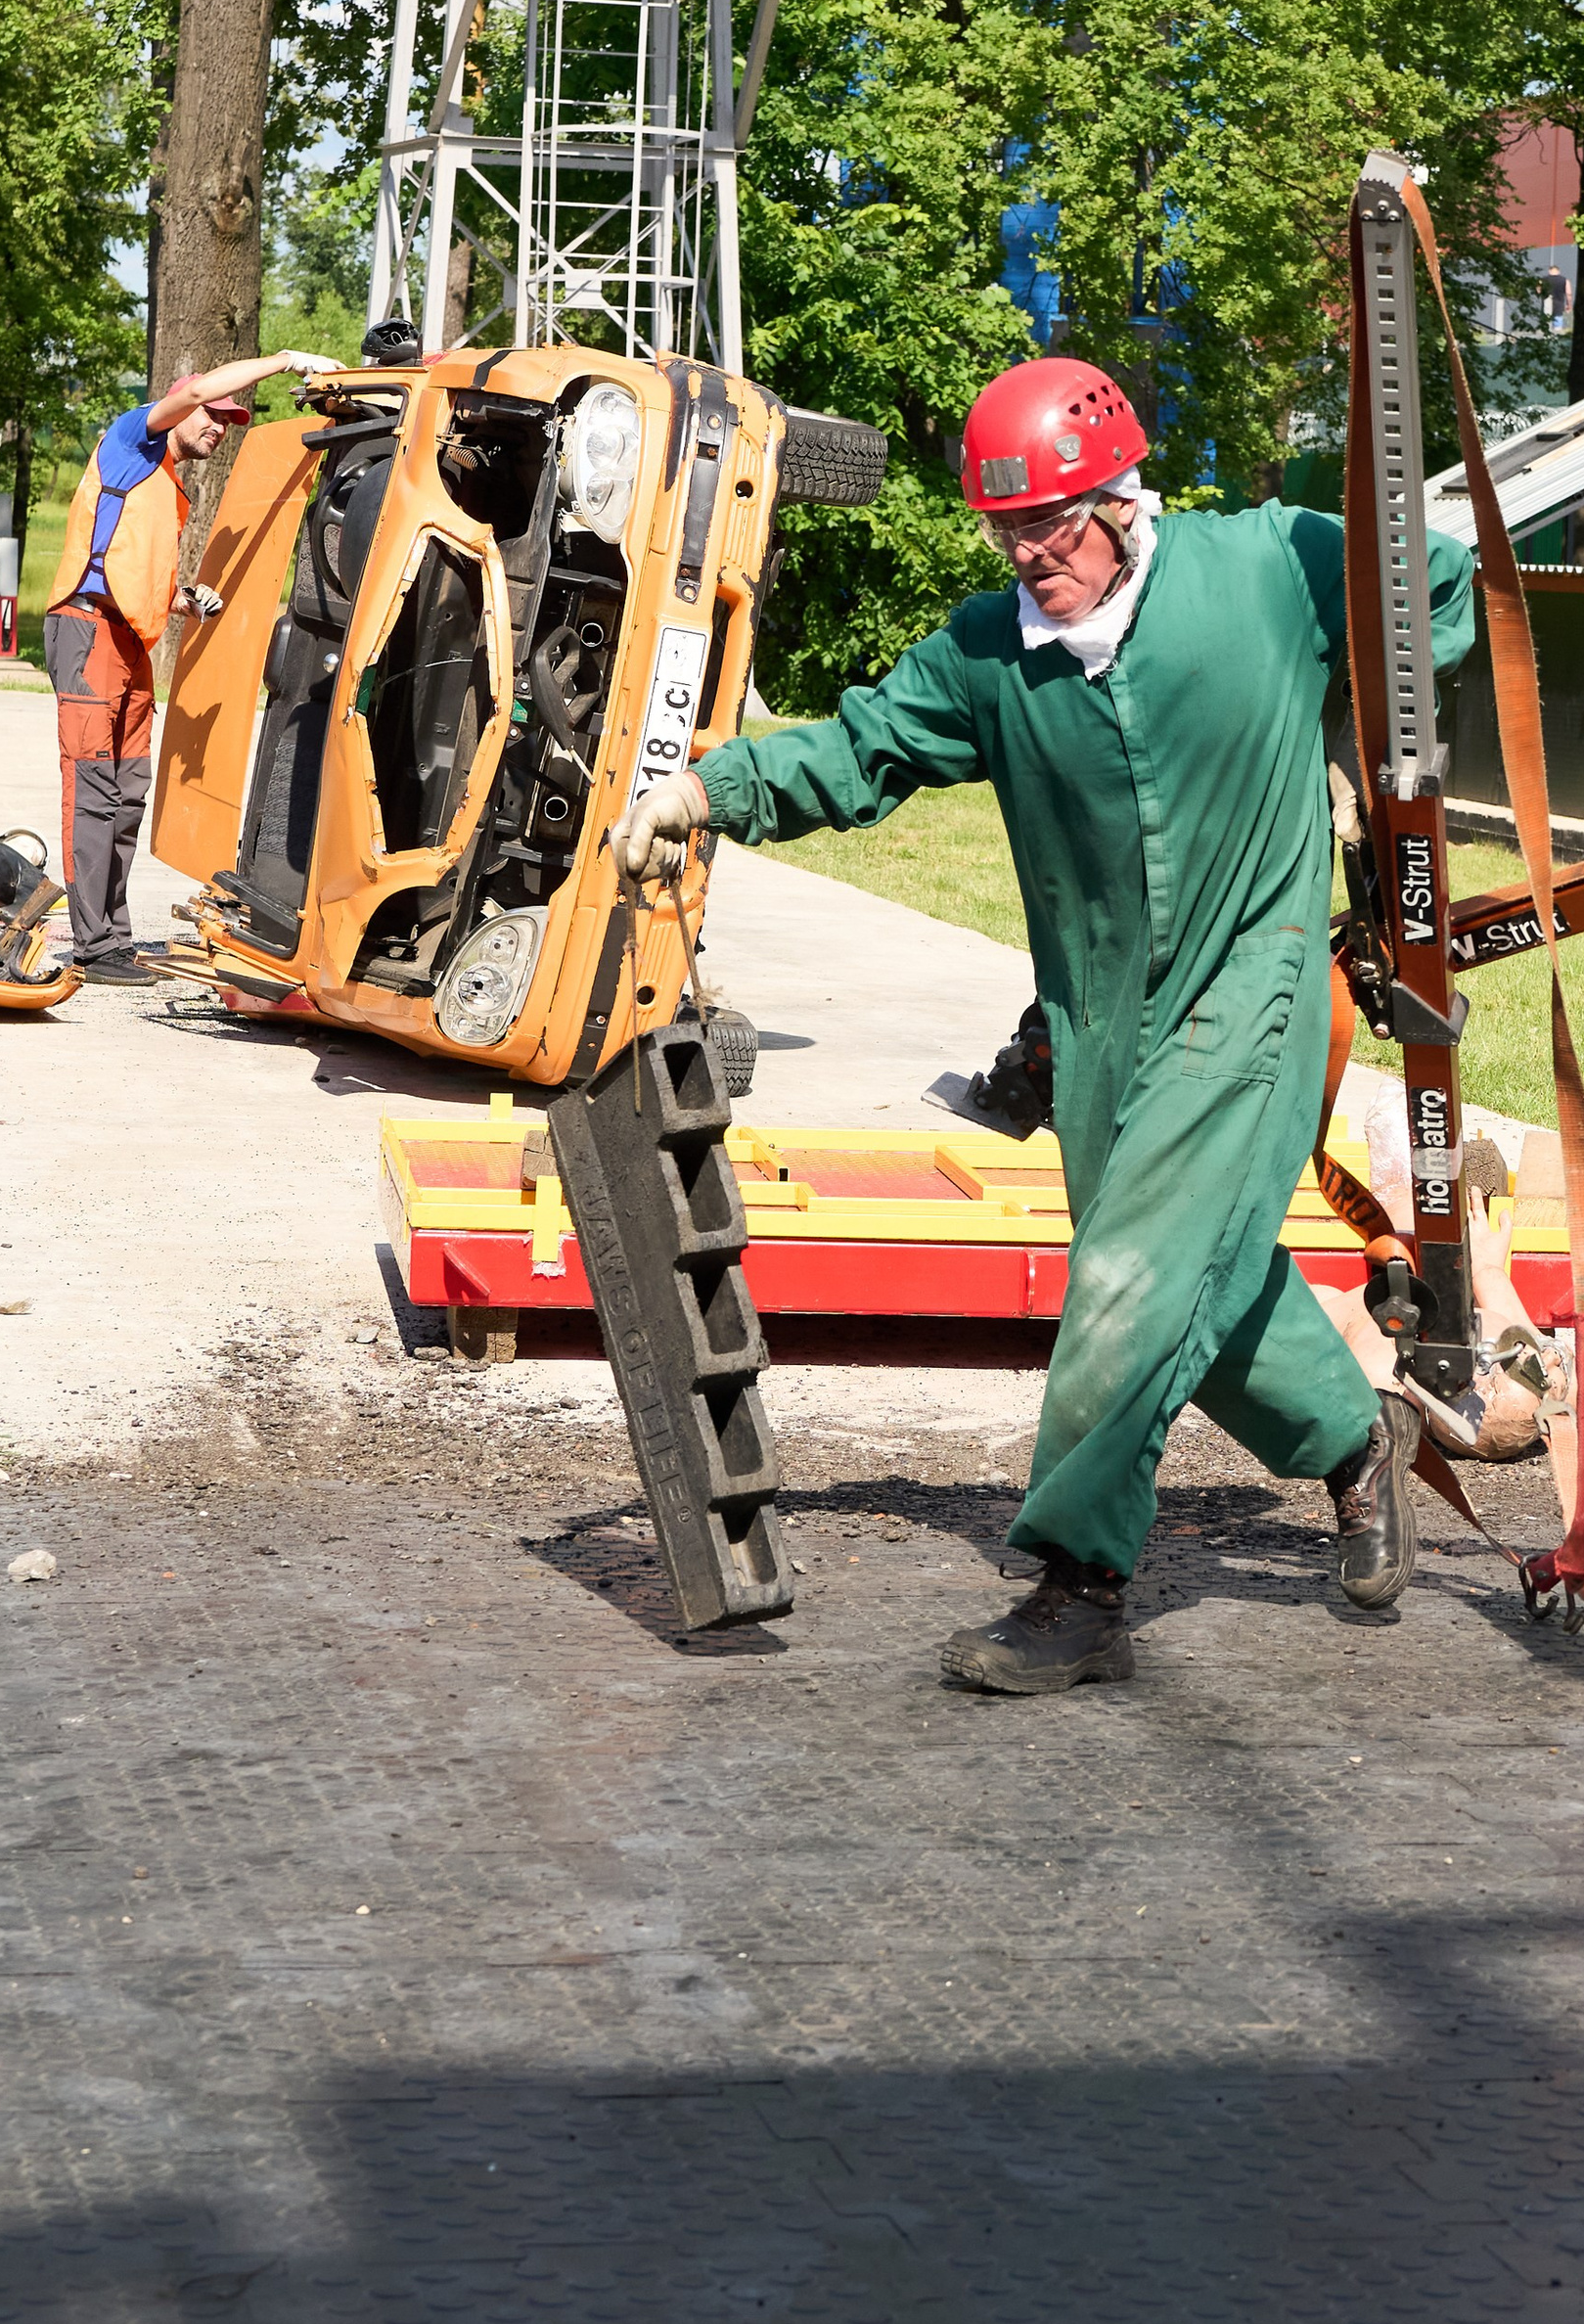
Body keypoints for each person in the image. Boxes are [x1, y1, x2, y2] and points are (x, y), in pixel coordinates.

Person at [612, 356, 1478, 1693]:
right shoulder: (987, 657)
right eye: (1006, 531)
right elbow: (858, 749)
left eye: (1053, 525)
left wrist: (1369, 720)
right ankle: (1355, 1442)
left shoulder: (1267, 568)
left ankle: (1080, 1585)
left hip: (1258, 985)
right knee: (1204, 1272)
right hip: (1097, 1016)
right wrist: (709, 792)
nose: (1030, 557)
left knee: (1131, 1274)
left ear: (1123, 501)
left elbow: (1444, 591)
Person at [44, 353, 338, 981]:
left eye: (229, 422)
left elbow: (132, 572)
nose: (220, 427)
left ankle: (114, 938)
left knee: (127, 791)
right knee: (92, 790)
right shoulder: (132, 438)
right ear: (180, 407)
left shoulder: (163, 485)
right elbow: (200, 385)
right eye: (212, 415)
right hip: (86, 630)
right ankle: (93, 948)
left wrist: (185, 600)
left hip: (126, 640)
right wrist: (287, 362)